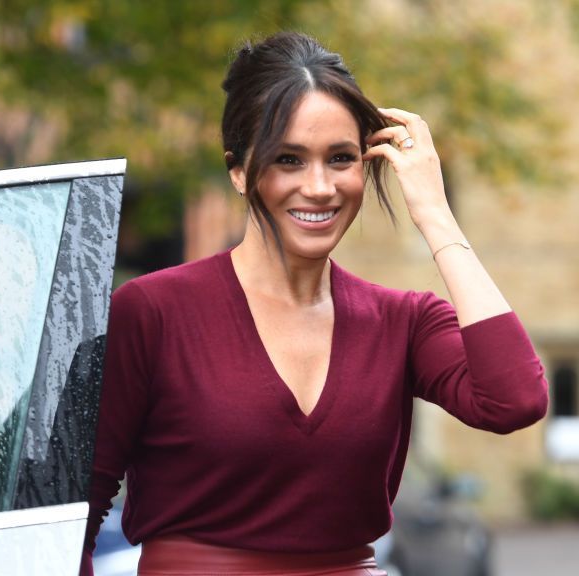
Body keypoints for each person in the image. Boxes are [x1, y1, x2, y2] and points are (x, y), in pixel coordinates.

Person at [82, 31, 548, 576]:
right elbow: (76, 516)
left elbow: (514, 399)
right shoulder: (152, 312)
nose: (321, 186)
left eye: (341, 158)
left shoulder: (404, 321)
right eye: (289, 160)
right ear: (238, 170)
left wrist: (434, 214)